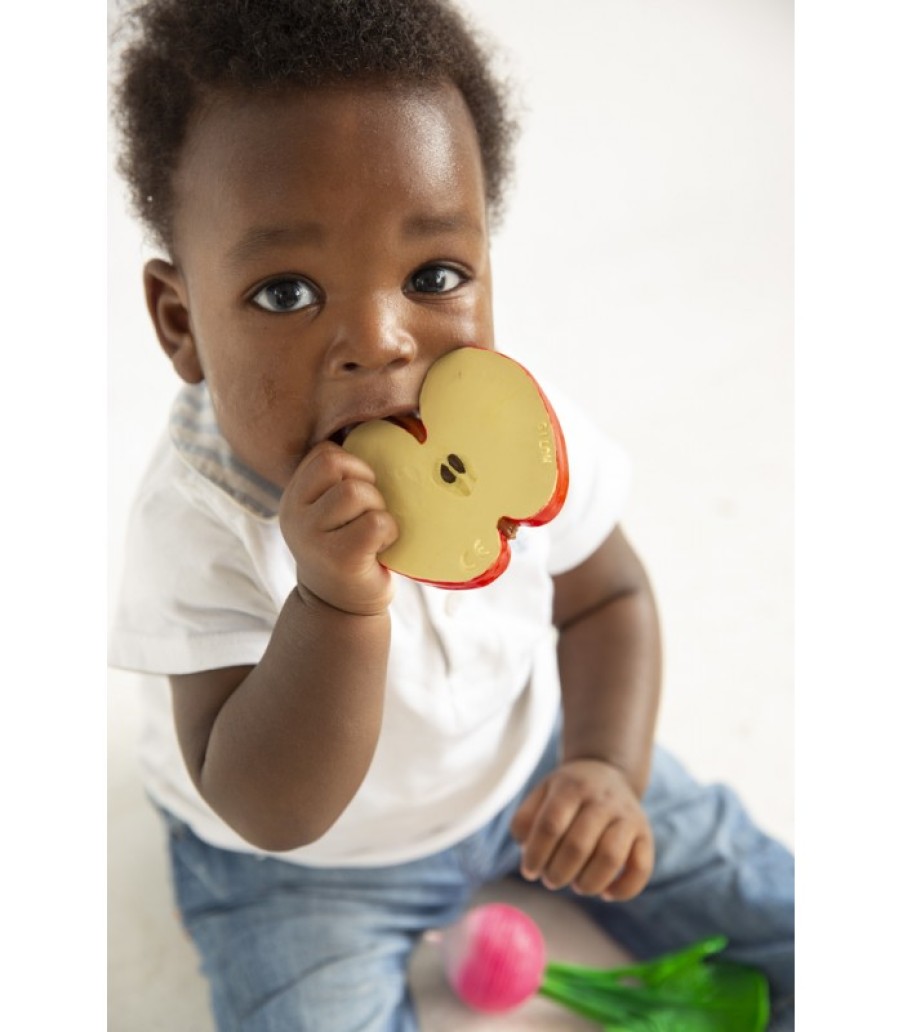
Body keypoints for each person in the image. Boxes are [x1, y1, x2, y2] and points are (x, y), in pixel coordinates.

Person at [108, 1, 794, 1029]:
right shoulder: (197, 523)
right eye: (287, 291)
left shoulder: (508, 422)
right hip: (312, 879)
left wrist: (605, 769)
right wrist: (335, 607)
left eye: (433, 275)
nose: (379, 342)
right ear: (182, 322)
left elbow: (609, 596)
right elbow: (269, 807)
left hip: (530, 764)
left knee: (785, 902)